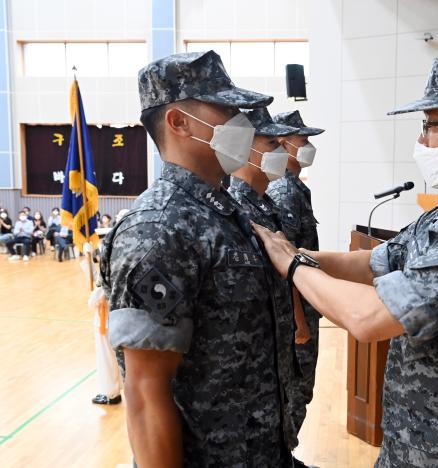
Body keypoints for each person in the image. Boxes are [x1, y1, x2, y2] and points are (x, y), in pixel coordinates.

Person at [253, 58, 438, 466]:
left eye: (430, 125)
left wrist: (293, 266)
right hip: (414, 443)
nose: (422, 140)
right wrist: (295, 253)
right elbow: (373, 262)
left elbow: (368, 318)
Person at [100, 51, 293, 467]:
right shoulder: (158, 228)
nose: (242, 123)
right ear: (178, 122)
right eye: (225, 109)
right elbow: (145, 393)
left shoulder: (227, 211)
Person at [227, 106, 306, 462]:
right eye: (272, 143)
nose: (282, 151)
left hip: (280, 342)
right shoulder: (238, 209)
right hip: (253, 360)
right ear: (246, 148)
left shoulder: (266, 204)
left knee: (289, 408)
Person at [266, 109, 325, 446]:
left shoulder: (295, 187)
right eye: (303, 140)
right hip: (297, 315)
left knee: (301, 392)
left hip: (304, 309)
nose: (308, 146)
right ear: (285, 143)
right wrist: (299, 321)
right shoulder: (284, 192)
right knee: (295, 394)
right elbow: (285, 264)